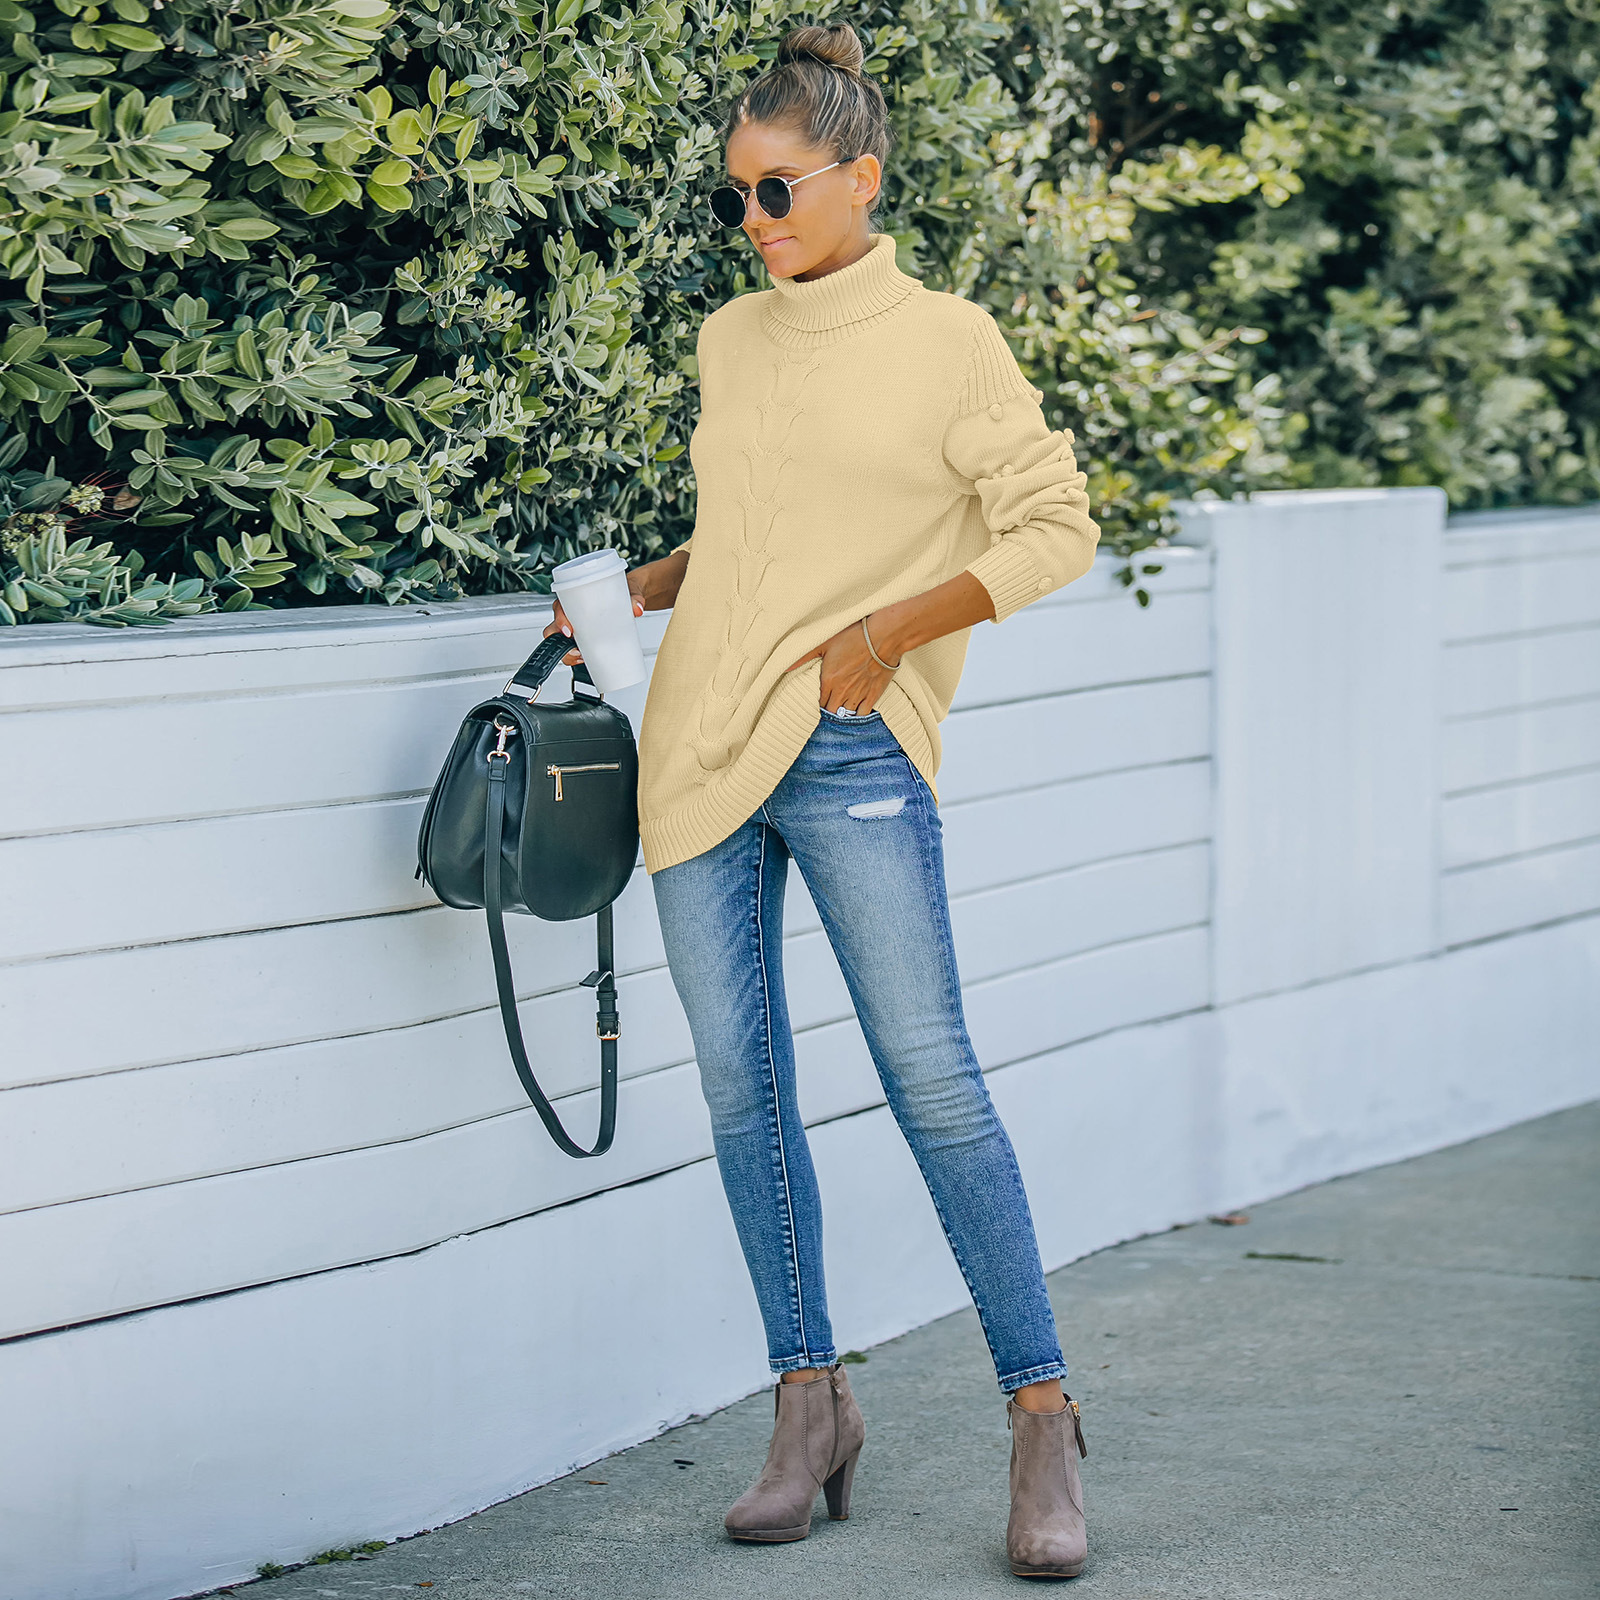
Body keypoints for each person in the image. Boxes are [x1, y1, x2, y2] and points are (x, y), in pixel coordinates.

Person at [547, 20, 1101, 1580]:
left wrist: (885, 636)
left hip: (854, 746)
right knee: (745, 1093)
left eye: (778, 190)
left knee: (933, 1081)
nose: (755, 220)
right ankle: (810, 1409)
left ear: (861, 176)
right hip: (696, 748)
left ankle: (1042, 1418)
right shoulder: (734, 337)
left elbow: (1056, 528)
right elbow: (756, 532)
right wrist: (639, 590)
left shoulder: (949, 339)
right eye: (736, 195)